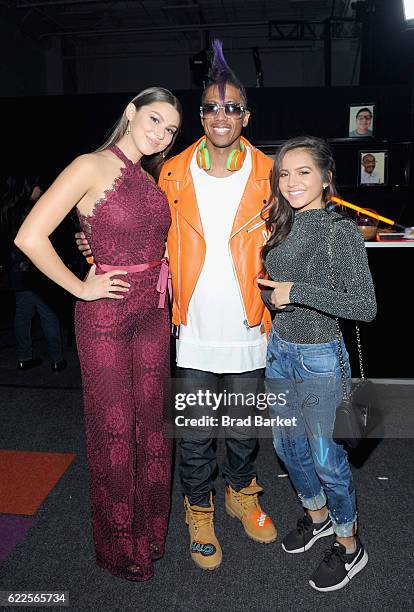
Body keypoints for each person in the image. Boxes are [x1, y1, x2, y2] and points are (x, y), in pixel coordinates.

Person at [77, 40, 277, 571]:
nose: (220, 115)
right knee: (192, 431)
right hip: (188, 324)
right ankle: (199, 508)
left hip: (249, 323)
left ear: (245, 116)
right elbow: (139, 228)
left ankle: (240, 491)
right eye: (211, 106)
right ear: (203, 114)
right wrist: (91, 243)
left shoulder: (269, 175)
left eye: (232, 107)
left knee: (241, 428)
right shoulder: (172, 172)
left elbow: (290, 237)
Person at [15, 87, 182, 581]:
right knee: (114, 433)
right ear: (130, 113)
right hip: (106, 315)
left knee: (153, 430)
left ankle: (151, 534)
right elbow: (29, 235)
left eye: (170, 129)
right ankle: (119, 547)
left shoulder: (151, 178)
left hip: (153, 310)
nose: (159, 133)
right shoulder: (90, 165)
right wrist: (79, 289)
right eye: (153, 119)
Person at [258, 136, 376, 592]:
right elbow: (280, 288)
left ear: (326, 177)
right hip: (280, 349)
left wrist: (294, 292)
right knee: (289, 449)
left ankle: (349, 546)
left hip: (320, 356)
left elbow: (365, 306)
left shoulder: (338, 230)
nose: (291, 182)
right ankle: (318, 516)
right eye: (284, 174)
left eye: (303, 172)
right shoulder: (283, 224)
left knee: (327, 459)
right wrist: (272, 294)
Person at [0, 175, 66, 372]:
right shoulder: (32, 211)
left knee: (22, 315)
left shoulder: (7, 210)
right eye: (38, 187)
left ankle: (23, 357)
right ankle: (57, 359)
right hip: (37, 271)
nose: (41, 191)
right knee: (48, 313)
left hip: (16, 272)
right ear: (29, 188)